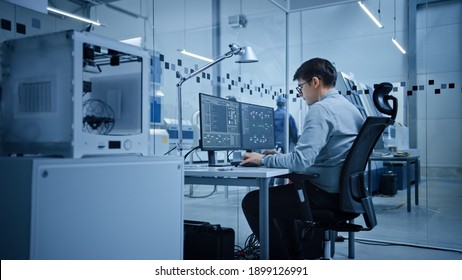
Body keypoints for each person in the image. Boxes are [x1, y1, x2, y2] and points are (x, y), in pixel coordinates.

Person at [240, 58, 364, 259]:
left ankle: (279, 263)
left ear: (315, 82)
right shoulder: (350, 108)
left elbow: (301, 162)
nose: (301, 94)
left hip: (324, 193)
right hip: (345, 193)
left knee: (252, 202)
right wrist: (280, 157)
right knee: (279, 202)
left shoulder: (321, 110)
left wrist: (261, 159)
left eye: (300, 87)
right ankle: (294, 257)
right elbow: (319, 156)